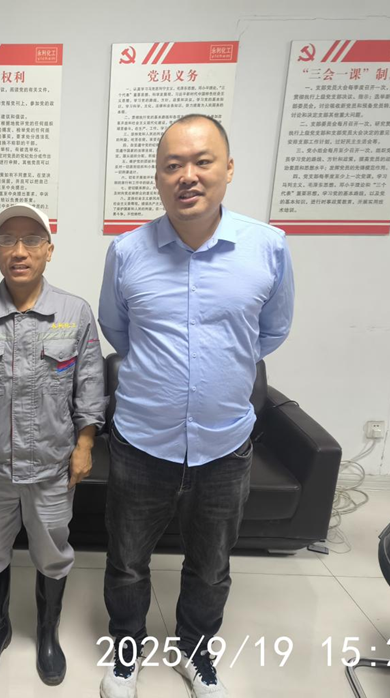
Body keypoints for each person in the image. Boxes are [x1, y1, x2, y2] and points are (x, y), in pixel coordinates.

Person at [98, 114, 295, 698]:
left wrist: (216, 371)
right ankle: (126, 651)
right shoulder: (127, 252)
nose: (188, 175)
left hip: (224, 444)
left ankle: (194, 651)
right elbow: (118, 331)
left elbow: (271, 331)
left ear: (228, 169)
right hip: (141, 441)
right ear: (158, 178)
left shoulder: (268, 247)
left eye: (202, 161)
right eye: (173, 165)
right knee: (127, 562)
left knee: (211, 567)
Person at [0, 204, 107, 685]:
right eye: (7, 240)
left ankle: (47, 634)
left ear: (49, 250)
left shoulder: (74, 313)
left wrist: (84, 446)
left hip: (52, 467)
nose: (19, 251)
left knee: (52, 553)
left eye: (32, 240)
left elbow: (90, 389)